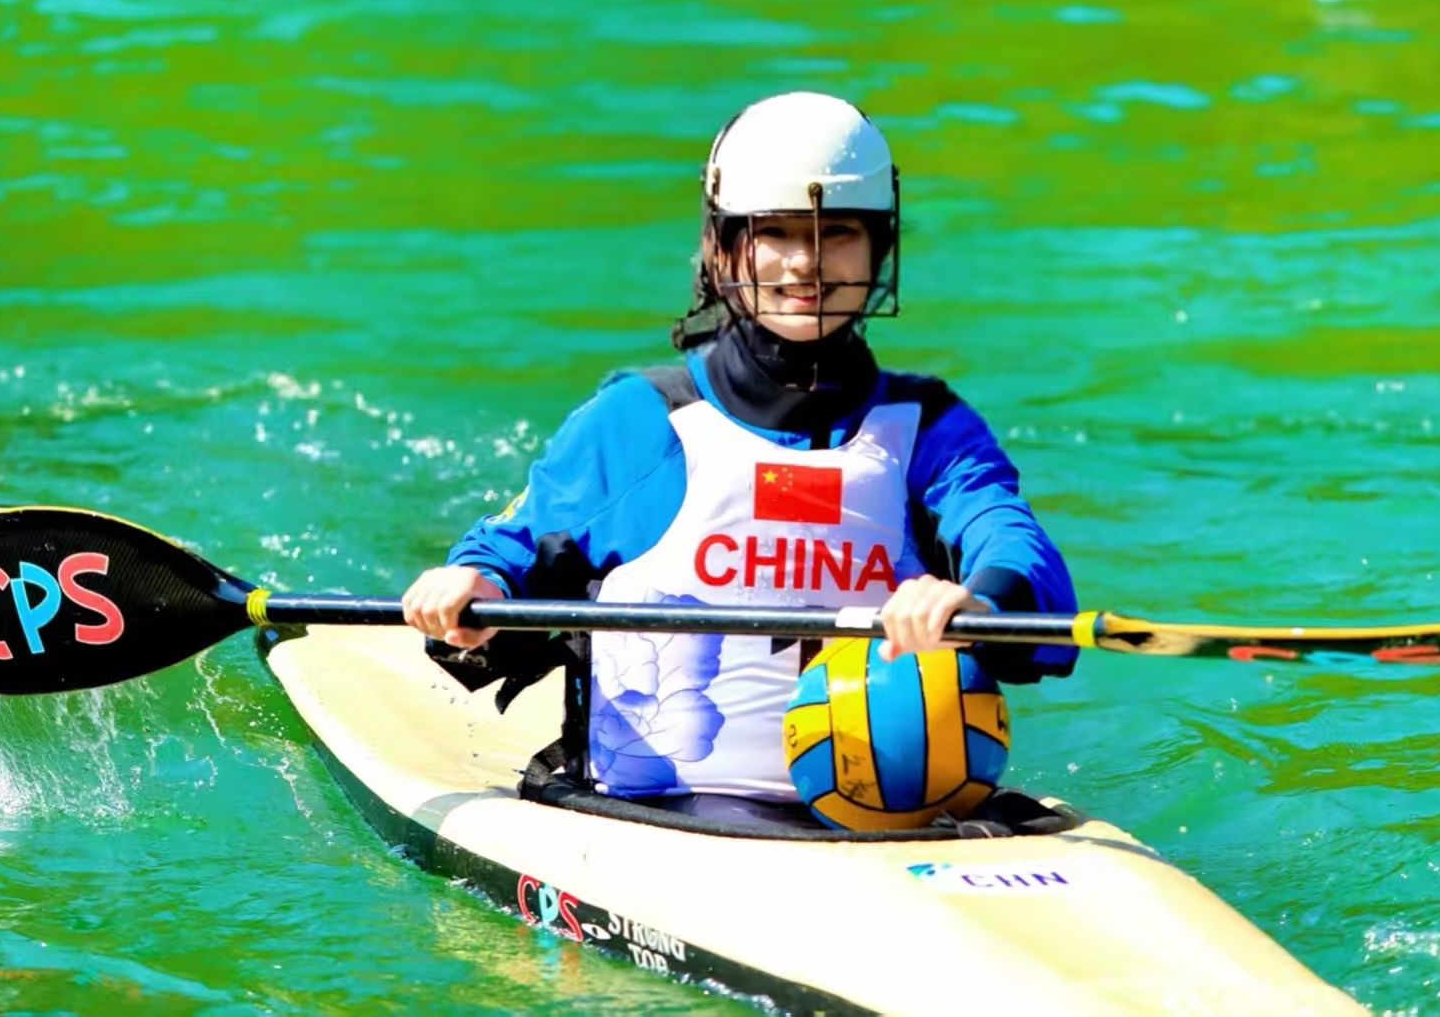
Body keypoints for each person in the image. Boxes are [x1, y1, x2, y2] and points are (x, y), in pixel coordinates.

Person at [402, 90, 1078, 815]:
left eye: (838, 232)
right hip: (655, 814)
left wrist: (979, 600)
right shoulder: (642, 420)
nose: (806, 262)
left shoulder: (931, 427)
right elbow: (509, 551)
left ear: (879, 248)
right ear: (722, 248)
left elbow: (1010, 540)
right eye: (775, 232)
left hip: (896, 814)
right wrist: (475, 589)